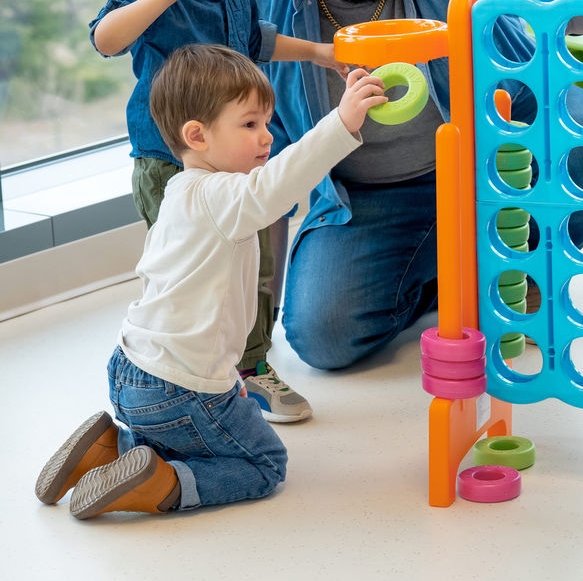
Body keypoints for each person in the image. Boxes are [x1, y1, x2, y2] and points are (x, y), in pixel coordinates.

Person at [243, 0, 583, 371]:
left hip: (498, 163)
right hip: (368, 197)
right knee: (324, 337)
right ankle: (457, 271)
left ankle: (512, 261)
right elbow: (246, 132)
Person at [34, 44, 385, 519]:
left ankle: (113, 447)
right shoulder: (224, 197)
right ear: (197, 135)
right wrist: (340, 124)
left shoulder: (178, 191)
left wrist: (223, 380)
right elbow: (275, 187)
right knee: (265, 464)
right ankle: (160, 485)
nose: (266, 137)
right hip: (179, 389)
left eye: (266, 123)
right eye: (249, 125)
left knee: (189, 432)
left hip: (129, 369)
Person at [90, 0, 350, 422]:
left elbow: (252, 42)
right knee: (190, 274)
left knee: (253, 267)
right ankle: (177, 376)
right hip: (170, 162)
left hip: (237, 157)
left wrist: (317, 52)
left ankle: (249, 367)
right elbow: (106, 37)